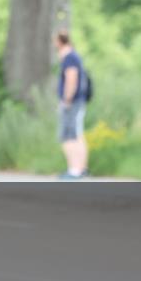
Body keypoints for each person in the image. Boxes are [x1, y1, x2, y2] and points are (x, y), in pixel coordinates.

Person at [54, 31, 89, 179]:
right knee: (78, 135)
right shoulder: (74, 56)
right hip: (78, 101)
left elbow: (71, 79)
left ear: (59, 41)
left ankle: (74, 170)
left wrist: (66, 100)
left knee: (68, 135)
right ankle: (81, 168)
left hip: (72, 102)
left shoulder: (69, 58)